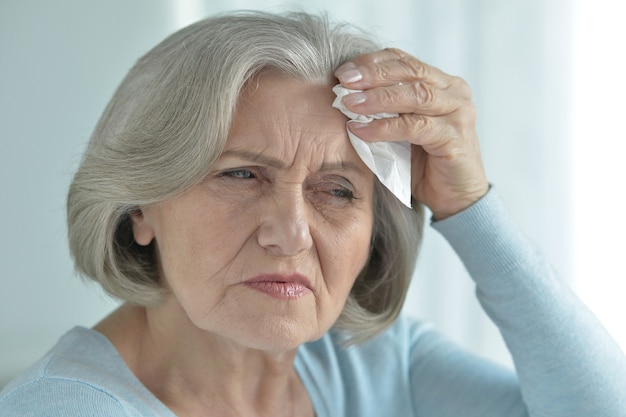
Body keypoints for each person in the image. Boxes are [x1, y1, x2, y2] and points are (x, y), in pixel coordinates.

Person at [0, 10, 624, 417]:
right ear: (141, 207)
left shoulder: (370, 366)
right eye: (241, 175)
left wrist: (468, 204)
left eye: (338, 191)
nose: (291, 233)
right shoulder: (66, 408)